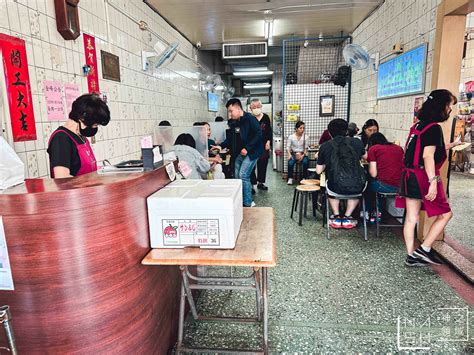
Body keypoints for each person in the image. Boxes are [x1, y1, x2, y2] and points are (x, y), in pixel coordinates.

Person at [398, 89, 463, 267]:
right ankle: (424, 250)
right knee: (445, 215)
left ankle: (411, 256)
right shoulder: (434, 128)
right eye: (449, 105)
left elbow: (427, 150)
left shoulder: (418, 126)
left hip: (409, 175)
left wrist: (453, 145)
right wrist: (433, 181)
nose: (450, 109)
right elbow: (428, 156)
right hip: (423, 177)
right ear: (441, 106)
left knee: (411, 218)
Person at [316, 119, 366, 229]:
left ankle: (336, 216)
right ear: (346, 131)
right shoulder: (357, 142)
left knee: (330, 182)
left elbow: (318, 171)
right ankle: (348, 217)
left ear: (329, 132)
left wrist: (326, 164)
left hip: (335, 187)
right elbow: (366, 157)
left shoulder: (325, 146)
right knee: (356, 183)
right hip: (357, 186)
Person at [47, 94, 110, 178]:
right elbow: (61, 177)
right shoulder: (61, 138)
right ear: (83, 118)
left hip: (88, 190)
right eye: (95, 125)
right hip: (74, 191)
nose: (95, 128)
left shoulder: (81, 137)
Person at [222, 98, 262, 207]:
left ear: (238, 108)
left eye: (231, 111)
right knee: (236, 174)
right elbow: (230, 139)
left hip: (252, 152)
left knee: (243, 175)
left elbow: (259, 134)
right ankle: (239, 199)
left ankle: (248, 203)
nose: (230, 114)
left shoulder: (250, 119)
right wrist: (220, 146)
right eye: (228, 112)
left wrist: (248, 148)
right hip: (242, 152)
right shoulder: (235, 122)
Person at [366, 132, 404, 222]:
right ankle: (378, 212)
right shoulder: (398, 148)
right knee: (379, 184)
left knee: (367, 185)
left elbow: (373, 174)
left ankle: (367, 212)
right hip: (401, 187)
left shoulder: (374, 149)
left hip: (384, 187)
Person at [249, 99, 272, 191]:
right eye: (254, 107)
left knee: (263, 164)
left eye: (258, 106)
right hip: (252, 145)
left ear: (261, 107)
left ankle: (261, 182)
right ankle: (251, 185)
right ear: (250, 108)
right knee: (251, 165)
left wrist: (268, 141)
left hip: (263, 145)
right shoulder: (249, 118)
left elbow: (269, 131)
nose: (256, 108)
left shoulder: (266, 117)